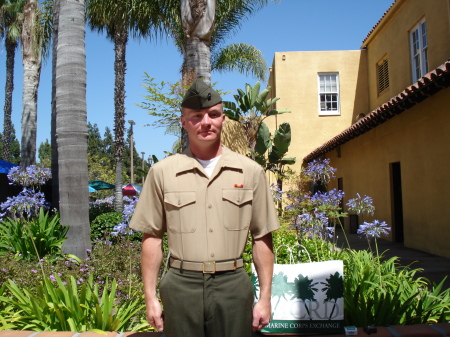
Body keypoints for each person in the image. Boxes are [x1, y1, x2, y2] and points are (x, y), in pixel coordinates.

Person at [130, 78, 280, 337]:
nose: (206, 122)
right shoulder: (162, 172)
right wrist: (150, 297)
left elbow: (262, 236)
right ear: (184, 122)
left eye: (213, 114)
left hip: (233, 284)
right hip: (180, 286)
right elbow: (152, 236)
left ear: (223, 119)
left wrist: (265, 297)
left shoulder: (250, 172)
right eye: (196, 116)